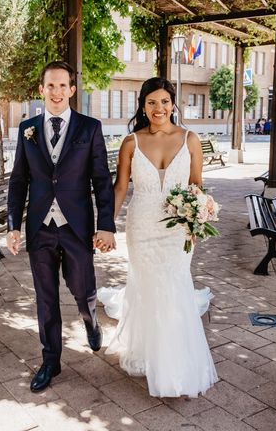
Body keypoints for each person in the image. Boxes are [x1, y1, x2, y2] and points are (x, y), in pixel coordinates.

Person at [98, 77, 218, 398]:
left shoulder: (190, 139)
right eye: (152, 102)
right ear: (143, 105)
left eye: (164, 101)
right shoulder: (131, 143)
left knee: (175, 286)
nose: (159, 108)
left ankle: (175, 362)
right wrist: (106, 225)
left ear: (173, 104)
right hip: (142, 227)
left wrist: (197, 218)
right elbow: (120, 188)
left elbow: (197, 186)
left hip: (178, 229)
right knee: (149, 287)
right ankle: (151, 353)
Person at [7, 61, 116, 393]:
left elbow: (101, 181)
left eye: (62, 86)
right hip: (40, 228)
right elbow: (18, 181)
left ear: (72, 90)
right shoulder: (27, 130)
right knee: (45, 297)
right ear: (41, 90)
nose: (55, 92)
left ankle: (91, 320)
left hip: (76, 227)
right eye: (49, 86)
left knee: (82, 288)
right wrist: (13, 225)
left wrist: (106, 225)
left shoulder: (89, 128)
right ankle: (50, 360)